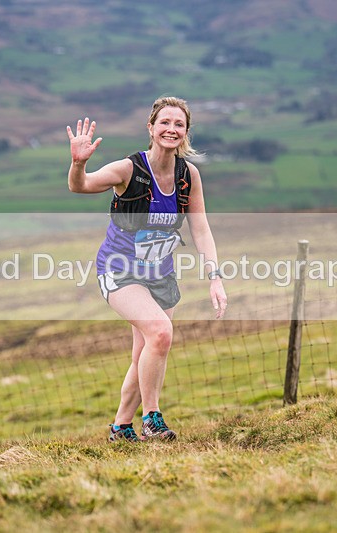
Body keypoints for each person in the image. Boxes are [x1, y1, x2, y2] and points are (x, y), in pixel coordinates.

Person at [67, 96, 227, 442]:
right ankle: (152, 419)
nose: (171, 129)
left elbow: (200, 227)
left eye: (179, 124)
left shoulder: (188, 175)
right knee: (161, 332)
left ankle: (120, 428)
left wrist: (215, 277)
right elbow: (80, 185)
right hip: (119, 270)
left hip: (160, 274)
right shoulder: (129, 170)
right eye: (165, 122)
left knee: (145, 352)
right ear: (151, 128)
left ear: (185, 133)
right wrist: (78, 163)